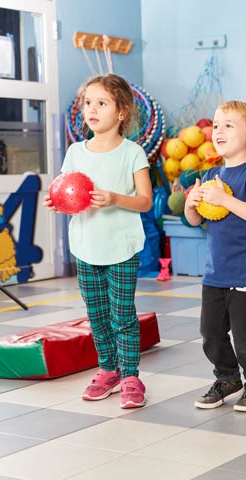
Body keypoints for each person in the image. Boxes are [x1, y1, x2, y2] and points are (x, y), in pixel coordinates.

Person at [44, 74, 152, 408]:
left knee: (123, 316)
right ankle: (108, 369)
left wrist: (116, 198)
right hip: (86, 248)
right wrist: (58, 203)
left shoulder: (132, 153)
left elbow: (145, 201)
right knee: (97, 315)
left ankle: (131, 375)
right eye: (88, 102)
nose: (92, 109)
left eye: (101, 103)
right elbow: (67, 194)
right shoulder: (76, 152)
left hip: (121, 248)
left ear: (121, 112)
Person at [184, 101, 246, 411]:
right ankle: (227, 378)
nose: (218, 130)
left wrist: (225, 198)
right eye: (217, 124)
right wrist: (190, 203)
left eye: (228, 125)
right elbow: (197, 221)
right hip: (215, 272)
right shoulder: (211, 173)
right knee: (210, 332)